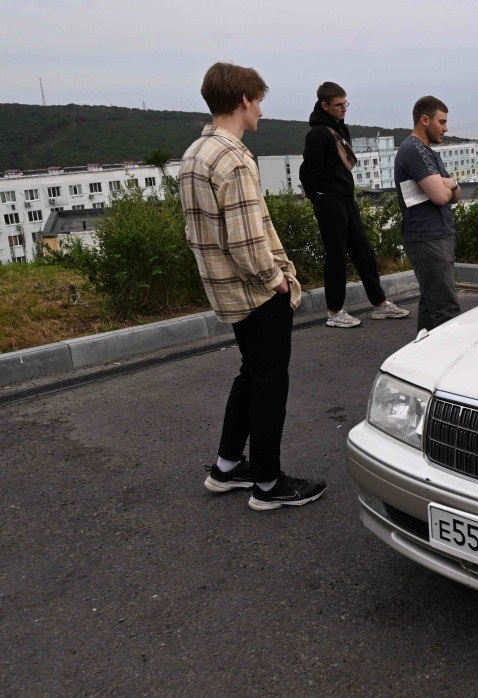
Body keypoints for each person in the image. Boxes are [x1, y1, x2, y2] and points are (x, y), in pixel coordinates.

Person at [179, 62, 326, 511]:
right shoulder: (234, 158)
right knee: (269, 384)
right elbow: (246, 242)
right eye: (259, 100)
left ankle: (226, 468)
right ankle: (267, 484)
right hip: (257, 293)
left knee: (251, 374)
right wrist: (277, 281)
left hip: (226, 291)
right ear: (244, 99)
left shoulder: (195, 154)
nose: (262, 109)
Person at [300, 82, 409, 328]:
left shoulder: (339, 128)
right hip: (329, 201)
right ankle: (334, 312)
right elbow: (308, 173)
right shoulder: (317, 134)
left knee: (363, 251)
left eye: (345, 103)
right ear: (324, 105)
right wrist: (319, 201)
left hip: (346, 199)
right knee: (336, 256)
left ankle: (379, 305)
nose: (344, 109)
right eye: (338, 105)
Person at [394, 96, 462, 333]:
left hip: (437, 236)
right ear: (425, 119)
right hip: (427, 239)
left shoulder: (429, 153)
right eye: (441, 122)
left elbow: (455, 193)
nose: (445, 128)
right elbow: (441, 197)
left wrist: (449, 183)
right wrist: (449, 185)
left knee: (430, 305)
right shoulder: (414, 150)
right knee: (446, 311)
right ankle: (448, 365)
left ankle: (420, 359)